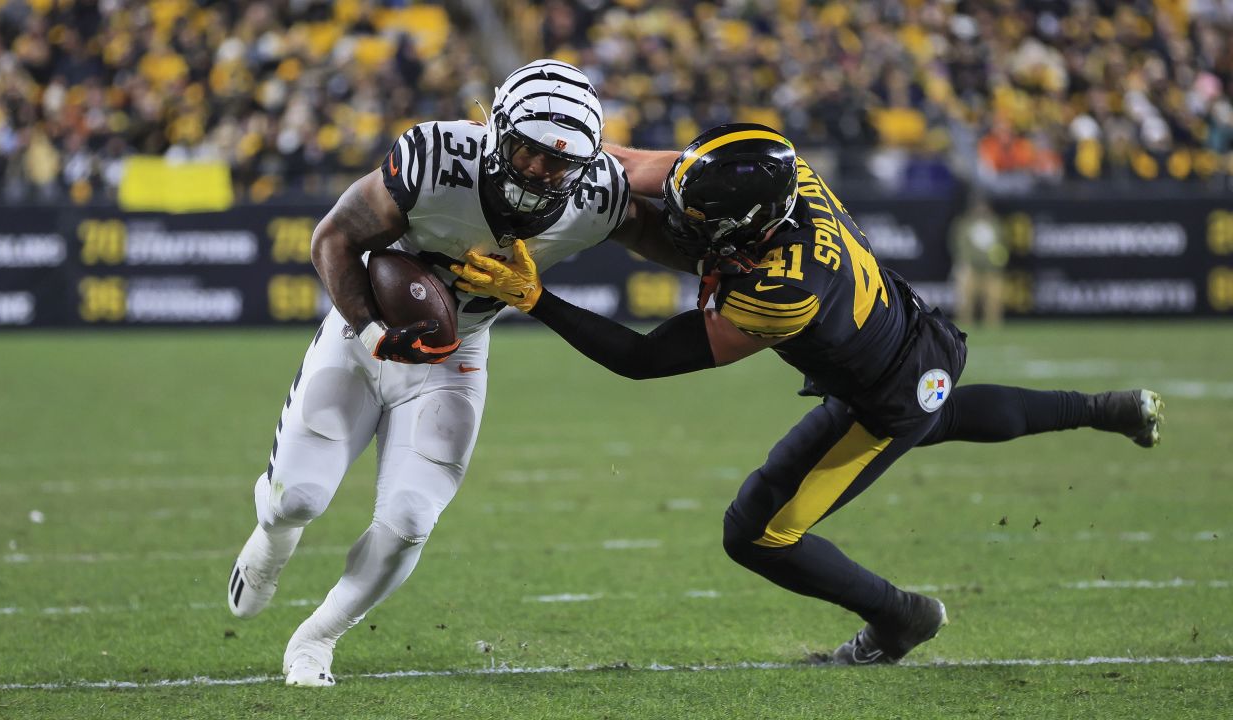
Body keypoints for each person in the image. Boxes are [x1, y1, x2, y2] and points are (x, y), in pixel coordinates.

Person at [453, 123, 1164, 665]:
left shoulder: (782, 292)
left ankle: (900, 618)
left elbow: (645, 358)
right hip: (914, 341)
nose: (682, 223)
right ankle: (1107, 408)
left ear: (749, 226)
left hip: (881, 395)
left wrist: (536, 298)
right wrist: (566, 161)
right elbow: (642, 166)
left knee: (758, 532)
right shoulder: (783, 175)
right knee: (942, 416)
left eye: (699, 219)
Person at [225, 59, 690, 687]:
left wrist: (734, 260)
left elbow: (665, 237)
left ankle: (316, 640)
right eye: (527, 151)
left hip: (457, 353)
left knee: (411, 518)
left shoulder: (596, 195)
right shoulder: (436, 159)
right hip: (364, 342)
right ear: (498, 131)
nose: (539, 171)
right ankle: (273, 540)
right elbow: (333, 237)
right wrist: (370, 328)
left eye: (558, 162)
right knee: (298, 498)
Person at [949, 190, 1008, 328]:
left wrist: (997, 259)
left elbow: (1002, 243)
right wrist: (967, 259)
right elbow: (958, 244)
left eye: (983, 205)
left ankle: (993, 327)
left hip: (991, 267)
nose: (981, 208)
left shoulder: (995, 223)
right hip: (970, 266)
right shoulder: (964, 223)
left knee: (994, 301)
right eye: (978, 205)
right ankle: (964, 328)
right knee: (965, 301)